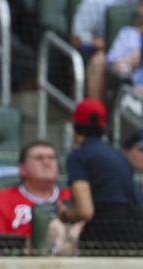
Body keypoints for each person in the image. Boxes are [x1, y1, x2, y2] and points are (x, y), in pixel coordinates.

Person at [61, 99, 143, 250]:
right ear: (103, 126)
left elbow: (85, 211)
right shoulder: (118, 155)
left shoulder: (78, 156)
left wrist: (65, 215)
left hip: (103, 232)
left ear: (74, 125)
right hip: (136, 229)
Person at [72, 0, 143, 101]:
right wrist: (102, 43)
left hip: (137, 46)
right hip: (108, 51)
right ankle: (97, 118)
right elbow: (77, 37)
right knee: (99, 61)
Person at [0, 141, 73, 241]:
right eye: (39, 158)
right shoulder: (2, 198)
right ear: (22, 168)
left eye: (51, 158)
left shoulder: (72, 197)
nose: (47, 162)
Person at [106, 0, 143, 96]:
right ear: (139, 8)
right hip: (133, 89)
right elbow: (115, 68)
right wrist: (136, 57)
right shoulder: (127, 34)